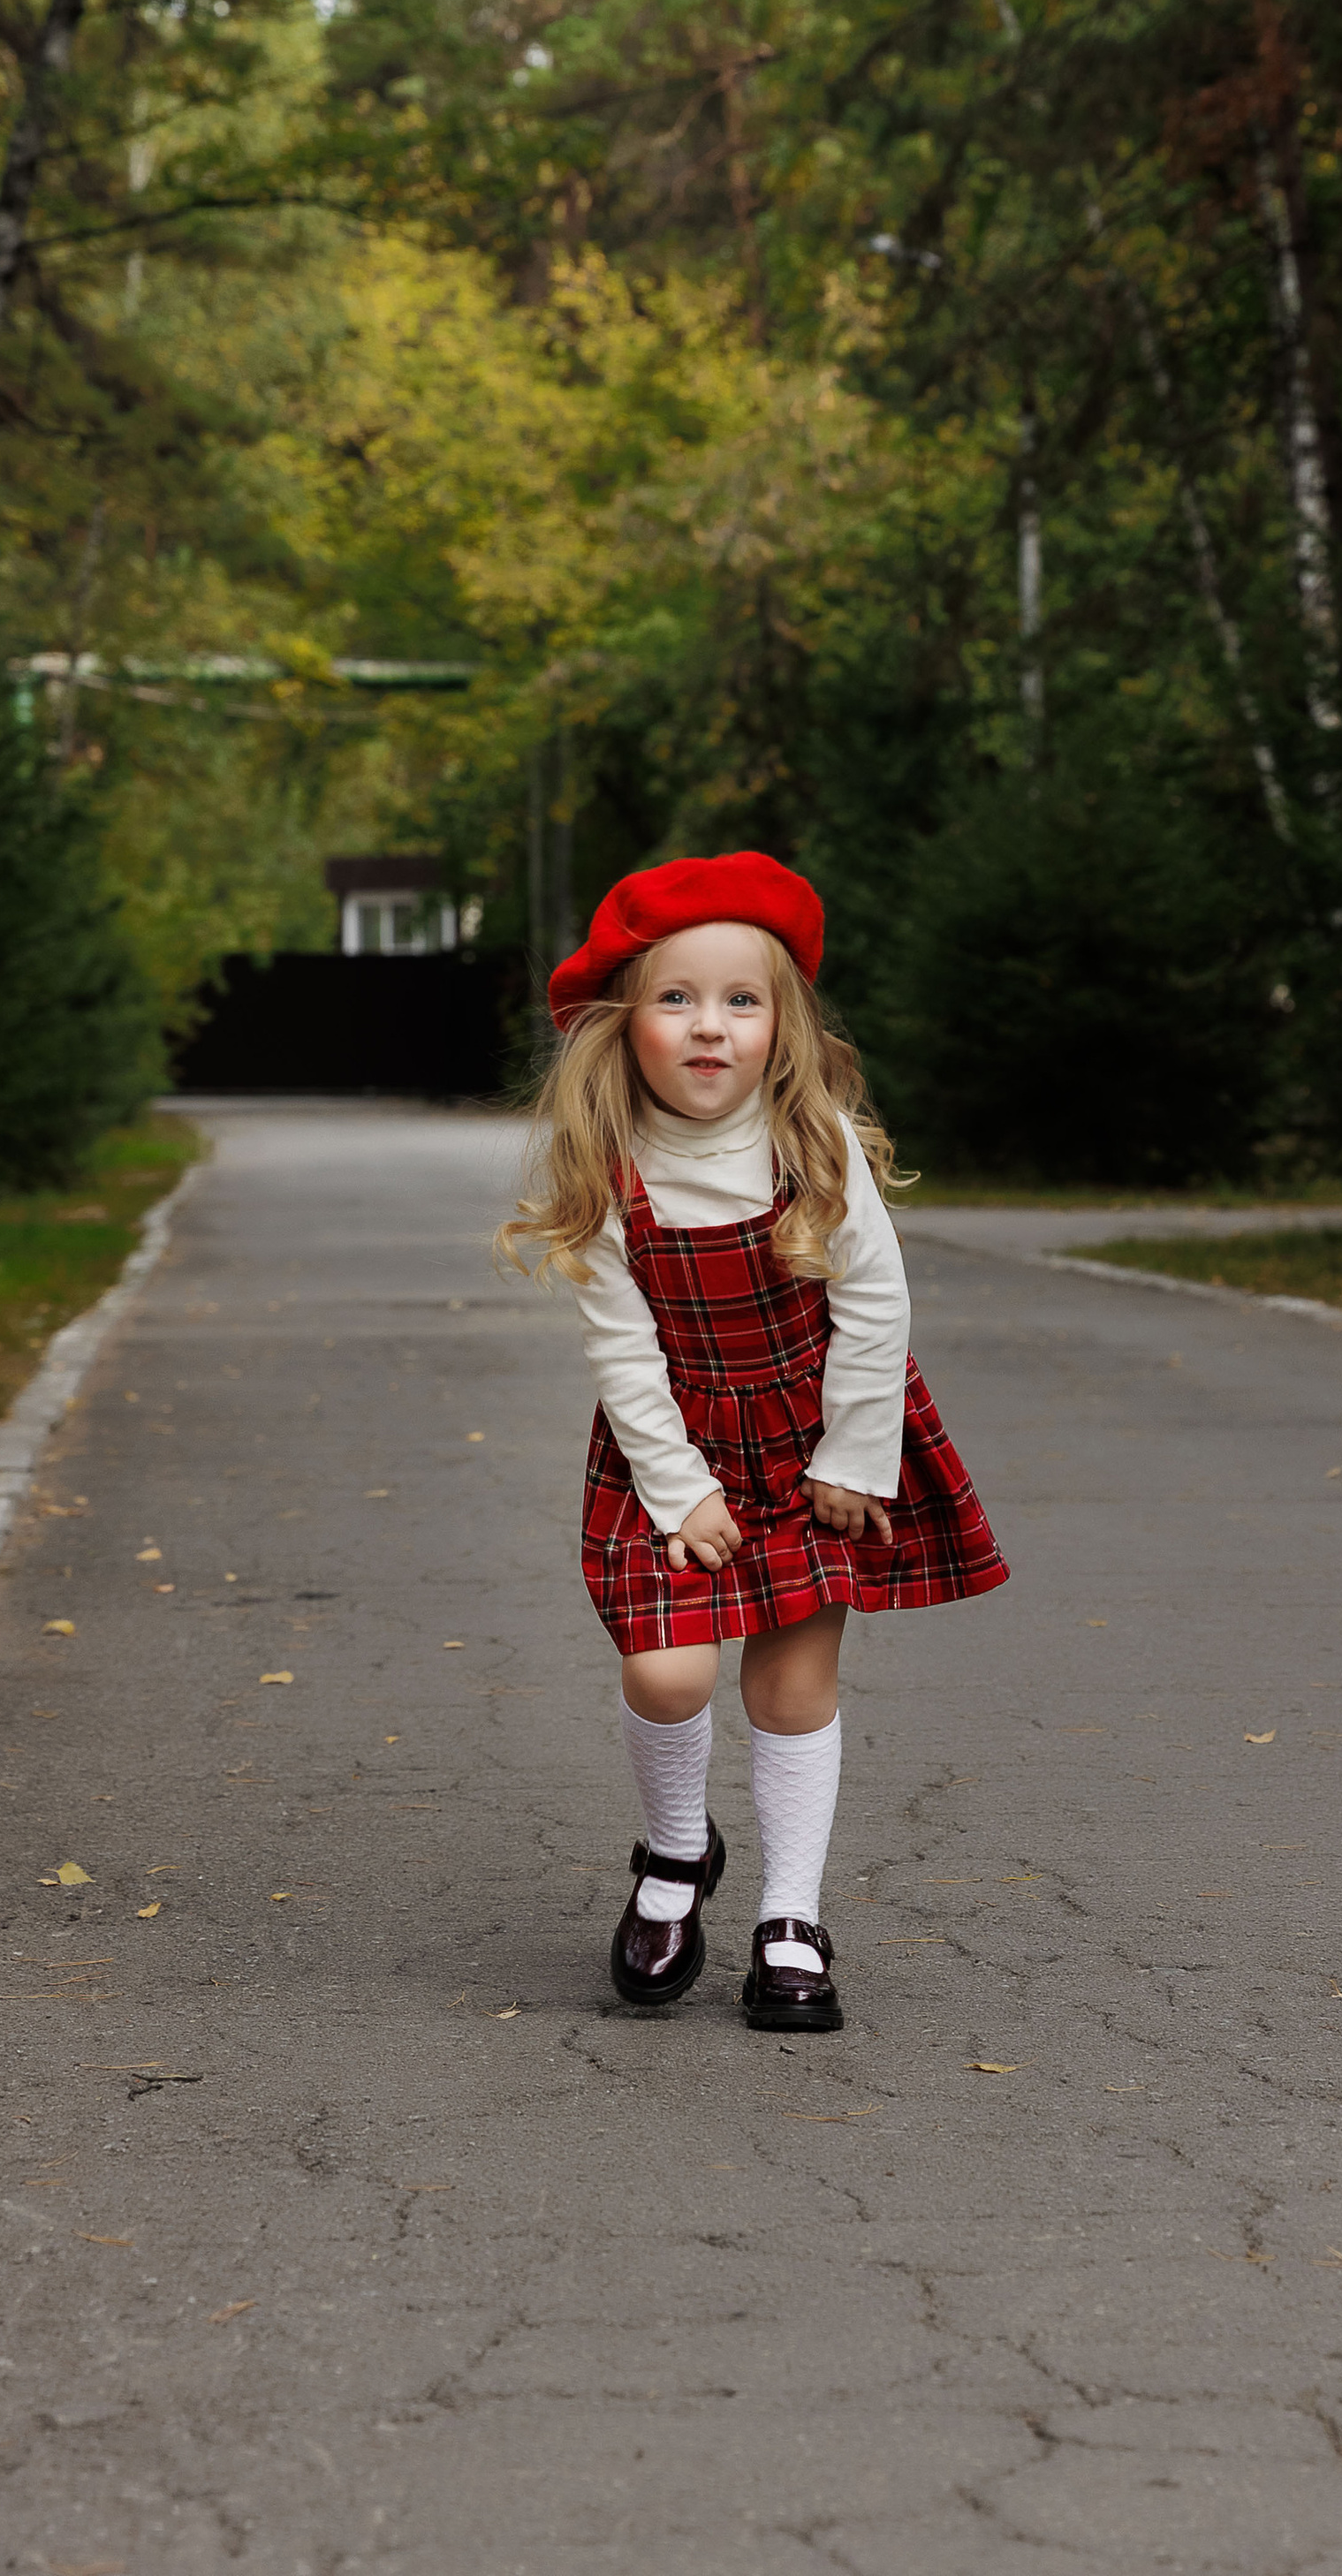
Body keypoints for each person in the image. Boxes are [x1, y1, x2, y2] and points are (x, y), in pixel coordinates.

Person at [502, 849, 1008, 2032]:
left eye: (742, 1000)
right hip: (670, 1452)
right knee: (665, 1670)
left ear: (782, 1027)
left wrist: (853, 1458)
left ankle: (791, 1918)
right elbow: (622, 1348)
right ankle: (676, 1852)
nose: (709, 1026)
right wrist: (677, 1489)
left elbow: (874, 1302)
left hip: (811, 1445)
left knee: (790, 1683)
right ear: (622, 1024)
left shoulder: (812, 1144)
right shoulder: (607, 1169)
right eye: (676, 998)